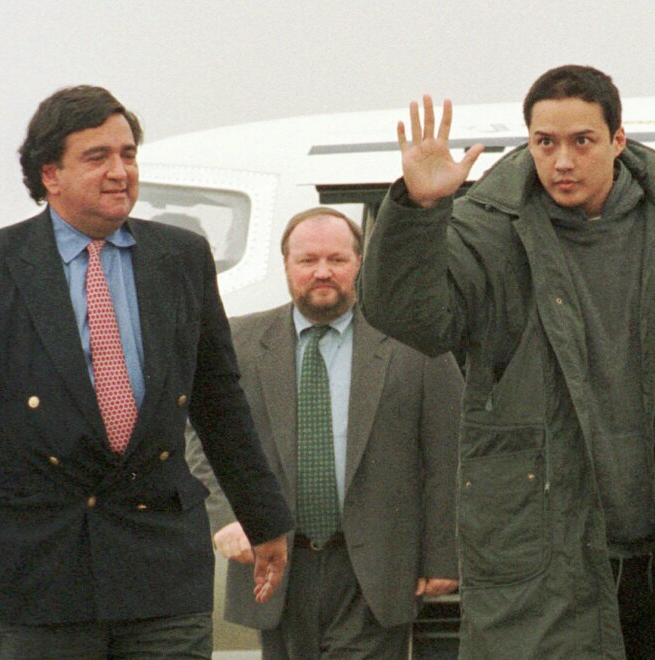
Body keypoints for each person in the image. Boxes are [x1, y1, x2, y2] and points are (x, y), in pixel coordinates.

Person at [358, 64, 655, 658]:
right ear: (529, 143)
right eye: (545, 143)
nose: (562, 161)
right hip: (542, 567)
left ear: (619, 141)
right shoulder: (488, 229)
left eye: (581, 141)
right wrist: (418, 209)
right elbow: (408, 318)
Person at [0, 85, 292, 658]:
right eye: (97, 157)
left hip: (159, 563)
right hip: (38, 573)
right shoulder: (6, 267)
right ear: (49, 174)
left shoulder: (181, 258)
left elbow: (218, 399)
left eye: (128, 154)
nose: (119, 171)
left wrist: (264, 518)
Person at [186, 207, 463, 659]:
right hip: (274, 563)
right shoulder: (238, 343)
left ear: (359, 263)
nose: (322, 272)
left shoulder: (414, 344)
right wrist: (227, 517)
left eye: (336, 260)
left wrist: (441, 556)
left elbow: (447, 452)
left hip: (374, 569)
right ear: (286, 266)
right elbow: (202, 441)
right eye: (307, 260)